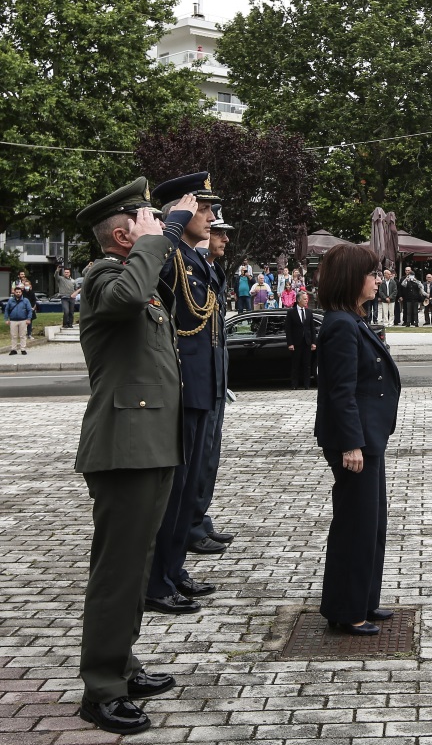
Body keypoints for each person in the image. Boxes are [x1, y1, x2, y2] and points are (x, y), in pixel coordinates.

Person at [73, 178, 196, 735]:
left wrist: (167, 238)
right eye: (147, 222)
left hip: (146, 445)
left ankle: (122, 663)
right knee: (118, 572)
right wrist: (163, 235)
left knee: (137, 565)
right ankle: (101, 689)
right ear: (123, 236)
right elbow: (125, 297)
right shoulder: (103, 278)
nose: (158, 229)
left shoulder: (134, 278)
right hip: (123, 449)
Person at [144, 172, 222, 615]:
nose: (210, 217)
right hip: (183, 389)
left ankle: (173, 571)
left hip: (201, 389)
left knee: (187, 488)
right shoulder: (168, 253)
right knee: (172, 496)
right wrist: (171, 223)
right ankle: (157, 581)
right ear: (182, 210)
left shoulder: (193, 259)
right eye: (203, 209)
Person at [313, 244, 400, 635]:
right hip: (356, 441)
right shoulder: (341, 325)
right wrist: (352, 444)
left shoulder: (353, 319)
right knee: (356, 526)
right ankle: (348, 611)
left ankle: (361, 599)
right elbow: (340, 391)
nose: (377, 279)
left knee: (371, 524)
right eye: (371, 273)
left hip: (369, 437)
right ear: (352, 278)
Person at [188, 214, 237, 557]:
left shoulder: (211, 272)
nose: (224, 239)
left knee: (208, 458)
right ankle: (190, 527)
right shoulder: (191, 271)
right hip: (199, 382)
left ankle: (199, 520)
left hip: (214, 380)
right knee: (196, 459)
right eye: (219, 232)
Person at [286, 291, 319, 389]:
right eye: (304, 299)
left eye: (307, 299)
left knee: (307, 365)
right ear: (299, 300)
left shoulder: (308, 312)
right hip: (296, 343)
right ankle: (294, 385)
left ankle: (307, 385)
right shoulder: (291, 312)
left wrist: (313, 342)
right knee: (295, 365)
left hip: (307, 342)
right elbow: (288, 329)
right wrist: (290, 343)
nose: (306, 301)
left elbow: (312, 329)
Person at [4, 286, 33, 354]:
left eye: (19, 292)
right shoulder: (11, 300)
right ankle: (13, 349)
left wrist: (29, 319)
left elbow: (29, 310)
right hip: (13, 320)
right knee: (13, 336)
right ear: (14, 292)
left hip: (23, 320)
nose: (18, 293)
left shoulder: (25, 300)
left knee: (23, 335)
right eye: (16, 292)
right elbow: (6, 310)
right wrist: (6, 319)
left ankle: (23, 349)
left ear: (21, 292)